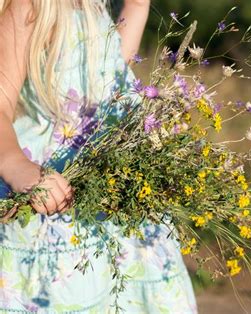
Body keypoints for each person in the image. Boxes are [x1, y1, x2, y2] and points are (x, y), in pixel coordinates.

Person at [0, 0, 197, 312]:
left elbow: (112, 73)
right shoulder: (30, 8)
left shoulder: (93, 7)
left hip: (105, 203)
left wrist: (137, 5)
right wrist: (16, 166)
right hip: (49, 207)